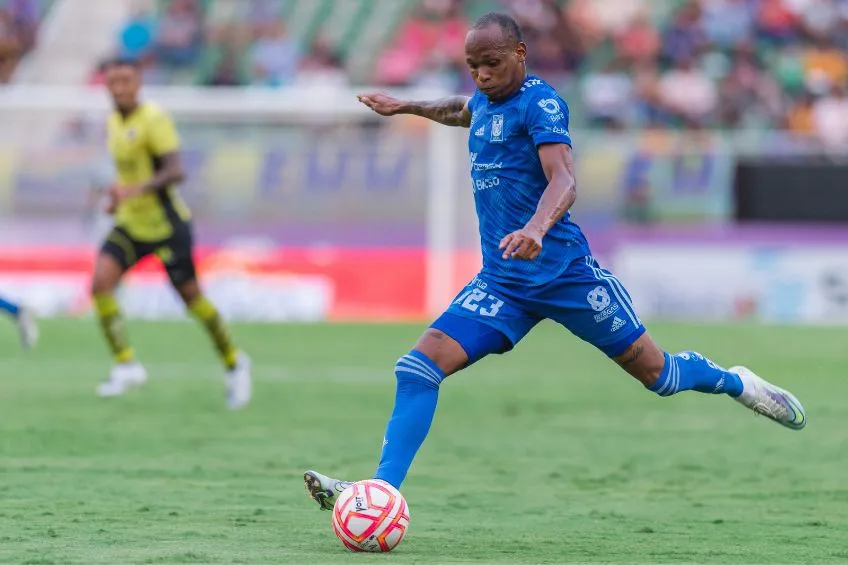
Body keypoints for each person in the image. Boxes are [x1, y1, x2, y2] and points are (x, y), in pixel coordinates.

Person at [303, 13, 806, 509]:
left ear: (519, 54)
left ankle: (737, 382)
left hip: (565, 274)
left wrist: (535, 229)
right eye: (473, 65)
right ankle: (379, 493)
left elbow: (564, 178)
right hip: (503, 284)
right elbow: (462, 109)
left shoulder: (540, 103)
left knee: (662, 378)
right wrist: (404, 105)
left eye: (491, 64)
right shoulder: (485, 100)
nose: (481, 75)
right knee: (417, 367)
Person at [92, 58, 252, 409]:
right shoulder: (113, 121)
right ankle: (126, 364)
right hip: (131, 224)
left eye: (126, 81)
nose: (119, 88)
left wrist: (135, 190)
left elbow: (176, 171)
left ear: (138, 83)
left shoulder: (154, 119)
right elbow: (131, 172)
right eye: (113, 81)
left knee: (192, 299)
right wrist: (117, 195)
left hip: (166, 228)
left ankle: (234, 361)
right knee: (100, 283)